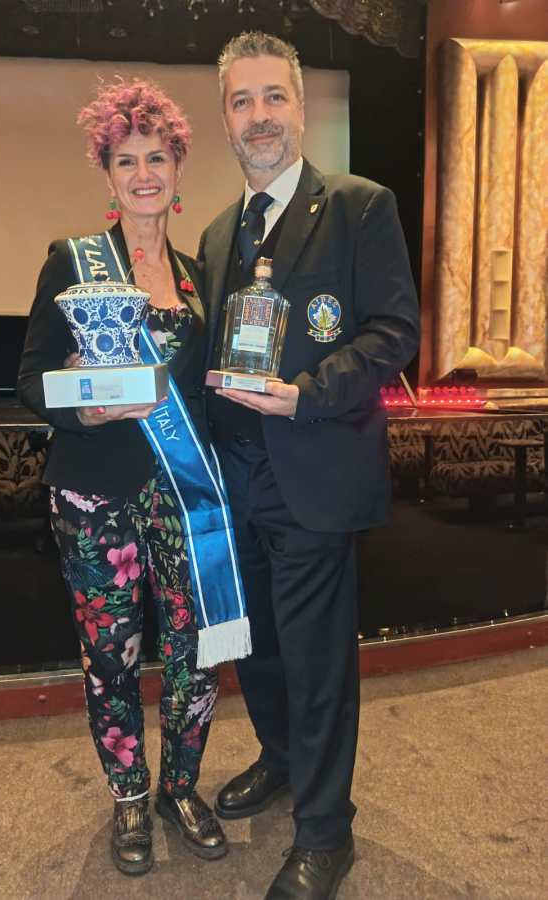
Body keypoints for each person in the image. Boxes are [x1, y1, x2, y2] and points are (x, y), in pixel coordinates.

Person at [198, 32, 421, 900]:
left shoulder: (361, 205)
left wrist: (306, 392)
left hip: (314, 474)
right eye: (241, 101)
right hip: (235, 482)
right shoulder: (219, 234)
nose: (259, 117)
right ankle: (282, 759)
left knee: (318, 659)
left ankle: (327, 833)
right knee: (256, 650)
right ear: (226, 117)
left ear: (301, 106)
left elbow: (392, 332)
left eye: (273, 98)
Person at [18, 79, 250, 876]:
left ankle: (180, 786)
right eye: (127, 160)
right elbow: (29, 381)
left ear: (178, 167)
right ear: (107, 173)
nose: (144, 172)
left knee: (195, 650)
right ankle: (128, 794)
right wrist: (83, 401)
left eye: (157, 157)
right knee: (109, 655)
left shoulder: (198, 277)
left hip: (182, 498)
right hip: (94, 495)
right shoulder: (71, 262)